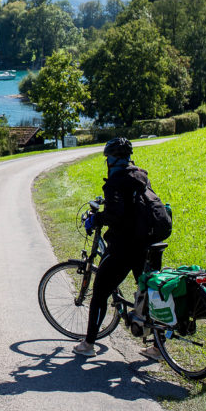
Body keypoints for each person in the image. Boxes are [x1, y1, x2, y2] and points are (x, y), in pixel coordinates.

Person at [73, 137, 163, 359]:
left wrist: (96, 220)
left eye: (107, 159)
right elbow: (133, 205)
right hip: (148, 242)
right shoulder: (140, 175)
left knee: (100, 293)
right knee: (151, 293)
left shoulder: (114, 182)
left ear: (111, 160)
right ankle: (159, 348)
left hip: (125, 247)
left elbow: (116, 214)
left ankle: (88, 344)